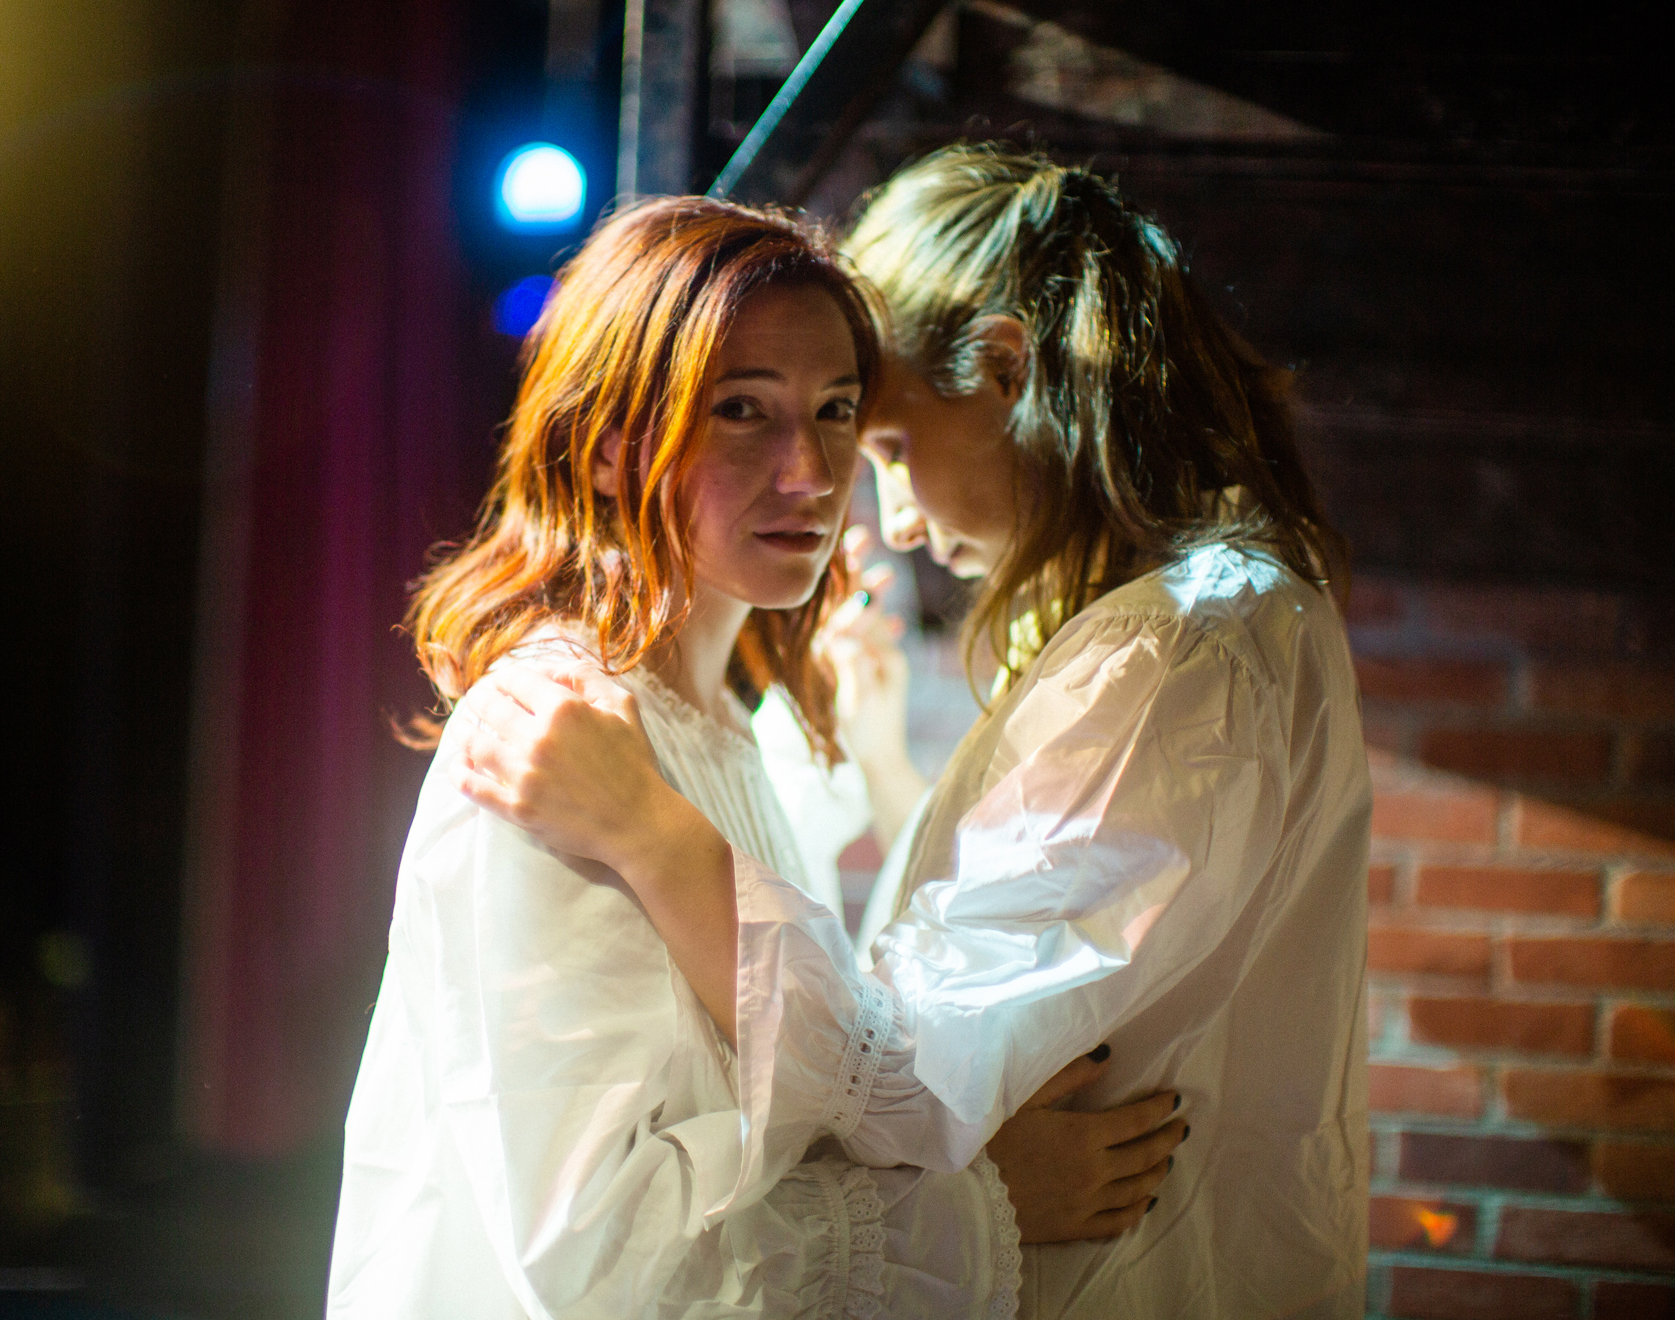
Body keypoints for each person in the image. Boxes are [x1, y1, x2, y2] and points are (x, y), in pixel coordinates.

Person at [453, 146, 1371, 1318]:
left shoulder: (1180, 646)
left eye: (865, 431)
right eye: (745, 411)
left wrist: (658, 837)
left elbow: (918, 1084)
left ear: (1004, 371)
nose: (864, 508)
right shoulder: (1199, 622)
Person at [327, 193, 1182, 1319]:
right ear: (606, 446)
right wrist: (981, 1205)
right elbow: (596, 1264)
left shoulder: (722, 729)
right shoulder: (562, 733)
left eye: (836, 411)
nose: (812, 472)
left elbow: (799, 1087)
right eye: (742, 410)